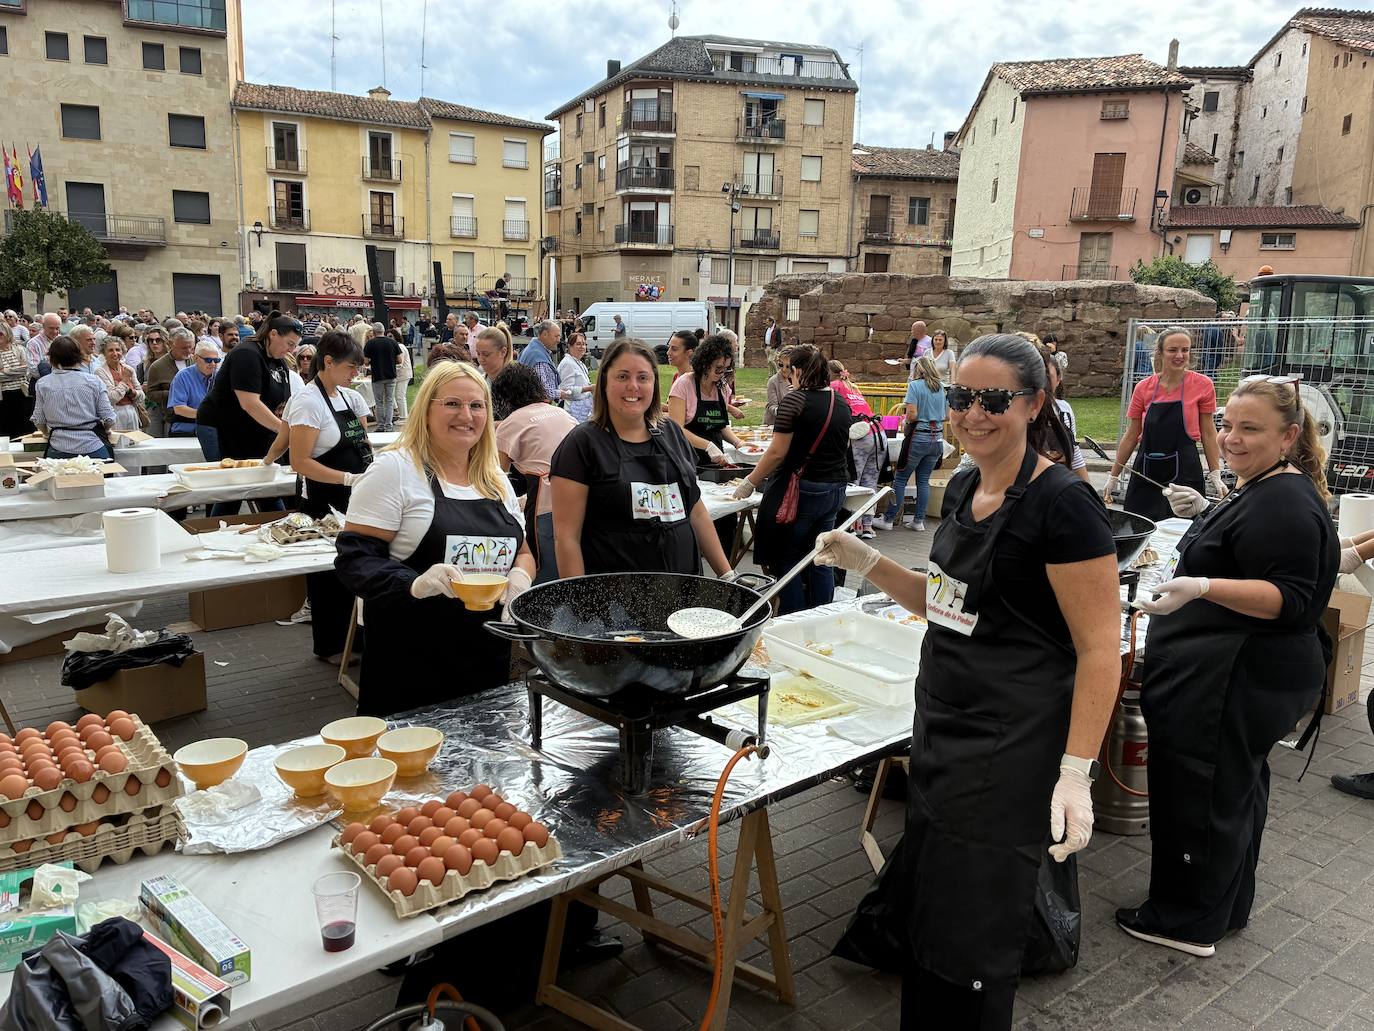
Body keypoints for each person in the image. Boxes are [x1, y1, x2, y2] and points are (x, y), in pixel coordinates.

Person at [813, 333, 1120, 1029]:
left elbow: (1102, 647)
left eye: (994, 399)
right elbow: (943, 601)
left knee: (974, 934)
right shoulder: (963, 486)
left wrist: (1076, 771)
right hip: (945, 732)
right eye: (961, 398)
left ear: (1035, 402)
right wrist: (867, 561)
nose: (973, 413)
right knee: (932, 919)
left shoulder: (1064, 504)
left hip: (1011, 748)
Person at [1121, 375, 1338, 957]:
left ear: (1290, 436)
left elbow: (1289, 598)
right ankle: (1224, 904)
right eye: (1226, 425)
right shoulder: (1263, 485)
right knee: (1230, 791)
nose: (1232, 438)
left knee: (1202, 794)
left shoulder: (1286, 502)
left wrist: (1201, 585)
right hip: (1228, 672)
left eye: (1250, 429)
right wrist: (1211, 508)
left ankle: (1186, 920)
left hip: (1236, 676)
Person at [335, 360, 535, 717]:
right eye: (453, 403)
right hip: (410, 662)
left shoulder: (495, 479)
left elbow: (521, 550)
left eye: (477, 405)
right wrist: (415, 584)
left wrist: (521, 577)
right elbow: (355, 560)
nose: (467, 415)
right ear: (426, 409)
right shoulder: (394, 471)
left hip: (485, 659)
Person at [550, 338, 731, 579]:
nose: (633, 386)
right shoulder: (581, 445)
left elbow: (696, 512)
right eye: (622, 377)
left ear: (654, 384)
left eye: (643, 378)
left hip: (683, 593)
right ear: (604, 382)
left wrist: (727, 575)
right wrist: (582, 603)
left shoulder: (672, 433)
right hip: (615, 603)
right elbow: (566, 537)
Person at [273, 331, 374, 662]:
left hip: (355, 496)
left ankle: (356, 639)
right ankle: (330, 644)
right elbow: (300, 461)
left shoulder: (346, 396)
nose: (354, 374)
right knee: (328, 574)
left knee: (355, 567)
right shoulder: (307, 401)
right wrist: (348, 477)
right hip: (324, 499)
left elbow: (362, 441)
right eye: (350, 367)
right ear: (327, 361)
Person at [731, 345, 852, 614]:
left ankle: (793, 615)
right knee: (820, 556)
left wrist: (750, 481)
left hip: (804, 491)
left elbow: (776, 452)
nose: (786, 376)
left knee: (788, 558)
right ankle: (821, 614)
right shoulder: (840, 401)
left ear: (798, 371)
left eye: (789, 370)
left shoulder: (795, 401)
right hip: (835, 488)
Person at [1105, 327, 1225, 520]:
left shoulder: (1203, 385)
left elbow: (1209, 433)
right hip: (1146, 471)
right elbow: (1131, 435)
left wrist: (1215, 474)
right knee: (1138, 525)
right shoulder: (1144, 388)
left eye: (1185, 350)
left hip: (1185, 472)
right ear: (1160, 352)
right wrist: (1114, 476)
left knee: (1183, 530)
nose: (1180, 355)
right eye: (1173, 350)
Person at [493, 363, 577, 584]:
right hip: (581, 498)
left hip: (546, 504)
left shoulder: (510, 424)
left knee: (546, 570)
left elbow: (498, 477)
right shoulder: (562, 413)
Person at [195, 310, 298, 471]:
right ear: (273, 334)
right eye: (290, 343)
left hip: (251, 427)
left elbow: (284, 401)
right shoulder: (247, 354)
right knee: (228, 480)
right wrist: (284, 431)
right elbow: (250, 404)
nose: (292, 350)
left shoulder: (279, 361)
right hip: (221, 424)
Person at [875, 355, 947, 532]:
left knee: (900, 478)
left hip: (918, 435)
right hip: (937, 437)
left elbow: (912, 415)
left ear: (919, 369)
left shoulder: (915, 386)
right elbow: (947, 416)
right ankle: (918, 521)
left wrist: (906, 422)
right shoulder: (943, 388)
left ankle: (889, 519)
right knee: (924, 480)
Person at [32, 336, 117, 459]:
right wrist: (105, 429)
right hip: (92, 446)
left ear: (52, 358)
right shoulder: (94, 381)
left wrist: (46, 434)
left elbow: (39, 420)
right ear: (79, 355)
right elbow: (109, 418)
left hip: (58, 448)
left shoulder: (43, 384)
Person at [667, 334, 743, 467]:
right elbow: (676, 429)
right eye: (718, 368)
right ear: (705, 363)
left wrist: (738, 443)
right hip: (687, 461)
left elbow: (721, 425)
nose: (722, 374)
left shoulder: (722, 388)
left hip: (715, 462)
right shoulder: (683, 385)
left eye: (726, 369)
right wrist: (707, 446)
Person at [830, 360, 882, 539]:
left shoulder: (834, 386)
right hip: (877, 433)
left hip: (859, 435)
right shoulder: (853, 387)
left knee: (854, 482)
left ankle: (853, 526)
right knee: (870, 481)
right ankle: (867, 526)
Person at [143, 328, 195, 435]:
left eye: (191, 347)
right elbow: (151, 394)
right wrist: (174, 393)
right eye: (184, 348)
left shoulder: (195, 361)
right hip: (172, 420)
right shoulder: (157, 367)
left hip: (196, 418)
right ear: (171, 344)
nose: (188, 351)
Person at [167, 343, 221, 438]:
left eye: (216, 360)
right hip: (185, 432)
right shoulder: (182, 377)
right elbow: (179, 408)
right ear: (196, 358)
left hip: (213, 431)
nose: (213, 364)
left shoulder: (220, 377)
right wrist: (207, 416)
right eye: (208, 360)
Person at [94, 336, 145, 433]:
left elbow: (142, 396)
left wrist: (130, 391)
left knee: (133, 443)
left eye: (118, 350)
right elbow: (112, 397)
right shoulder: (100, 372)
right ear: (104, 353)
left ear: (122, 351)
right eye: (110, 350)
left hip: (132, 411)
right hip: (115, 413)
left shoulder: (129, 369)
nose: (115, 353)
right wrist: (125, 379)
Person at [364, 322, 402, 432]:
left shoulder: (370, 344)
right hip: (391, 375)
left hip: (377, 375)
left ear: (374, 332)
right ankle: (389, 425)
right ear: (383, 330)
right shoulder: (392, 342)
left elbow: (365, 362)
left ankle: (381, 425)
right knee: (389, 400)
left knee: (379, 401)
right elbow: (399, 360)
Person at [0, 322, 31, 437]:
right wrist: (17, 371)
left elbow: (26, 370)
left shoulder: (19, 349)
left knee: (23, 425)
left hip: (22, 391)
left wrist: (5, 371)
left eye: (0, 334)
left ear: (7, 334)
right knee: (7, 426)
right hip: (4, 395)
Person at [519, 321, 562, 403]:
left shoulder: (533, 350)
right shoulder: (537, 357)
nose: (558, 340)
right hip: (535, 408)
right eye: (556, 336)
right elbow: (544, 392)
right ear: (545, 334)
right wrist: (563, 394)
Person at [557, 333, 594, 422]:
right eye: (578, 344)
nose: (582, 347)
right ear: (570, 346)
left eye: (584, 344)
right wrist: (589, 388)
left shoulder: (579, 363)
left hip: (583, 410)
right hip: (571, 412)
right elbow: (565, 390)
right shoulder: (568, 364)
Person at [763, 346, 794, 427]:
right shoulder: (773, 381)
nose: (783, 369)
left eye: (788, 366)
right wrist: (783, 412)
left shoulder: (800, 380)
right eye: (781, 365)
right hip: (775, 424)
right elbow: (772, 406)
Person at [392, 329, 412, 424]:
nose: (389, 338)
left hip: (403, 374)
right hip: (399, 375)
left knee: (400, 395)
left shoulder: (400, 347)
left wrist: (389, 368)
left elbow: (400, 363)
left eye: (391, 336)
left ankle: (404, 417)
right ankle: (398, 412)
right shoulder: (395, 346)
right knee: (394, 395)